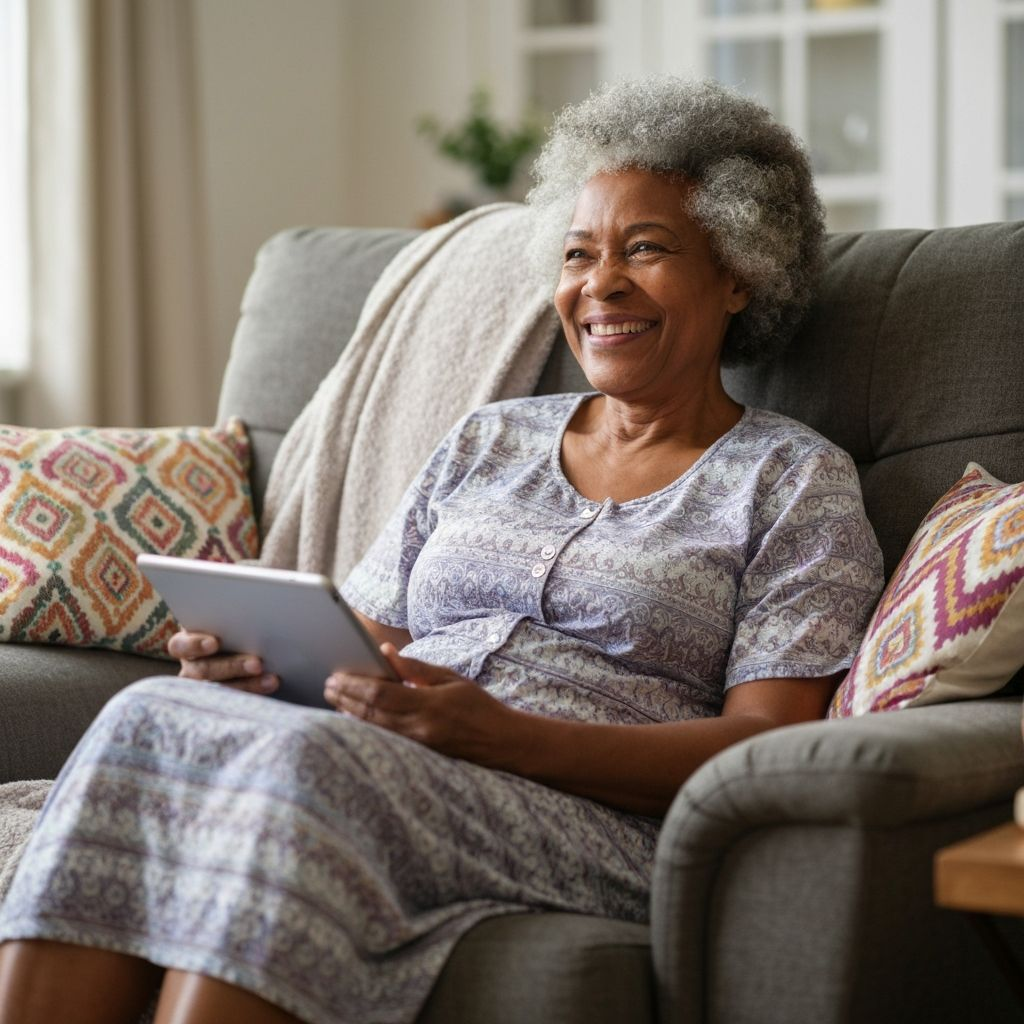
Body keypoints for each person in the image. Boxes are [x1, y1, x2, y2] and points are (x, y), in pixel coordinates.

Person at [0, 76, 883, 1024]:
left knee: (308, 768)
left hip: (595, 816)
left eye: (646, 248)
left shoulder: (794, 480)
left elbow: (768, 745)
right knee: (150, 710)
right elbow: (367, 646)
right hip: (389, 752)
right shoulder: (488, 439)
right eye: (579, 253)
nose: (602, 283)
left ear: (740, 273)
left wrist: (511, 739)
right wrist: (261, 667)